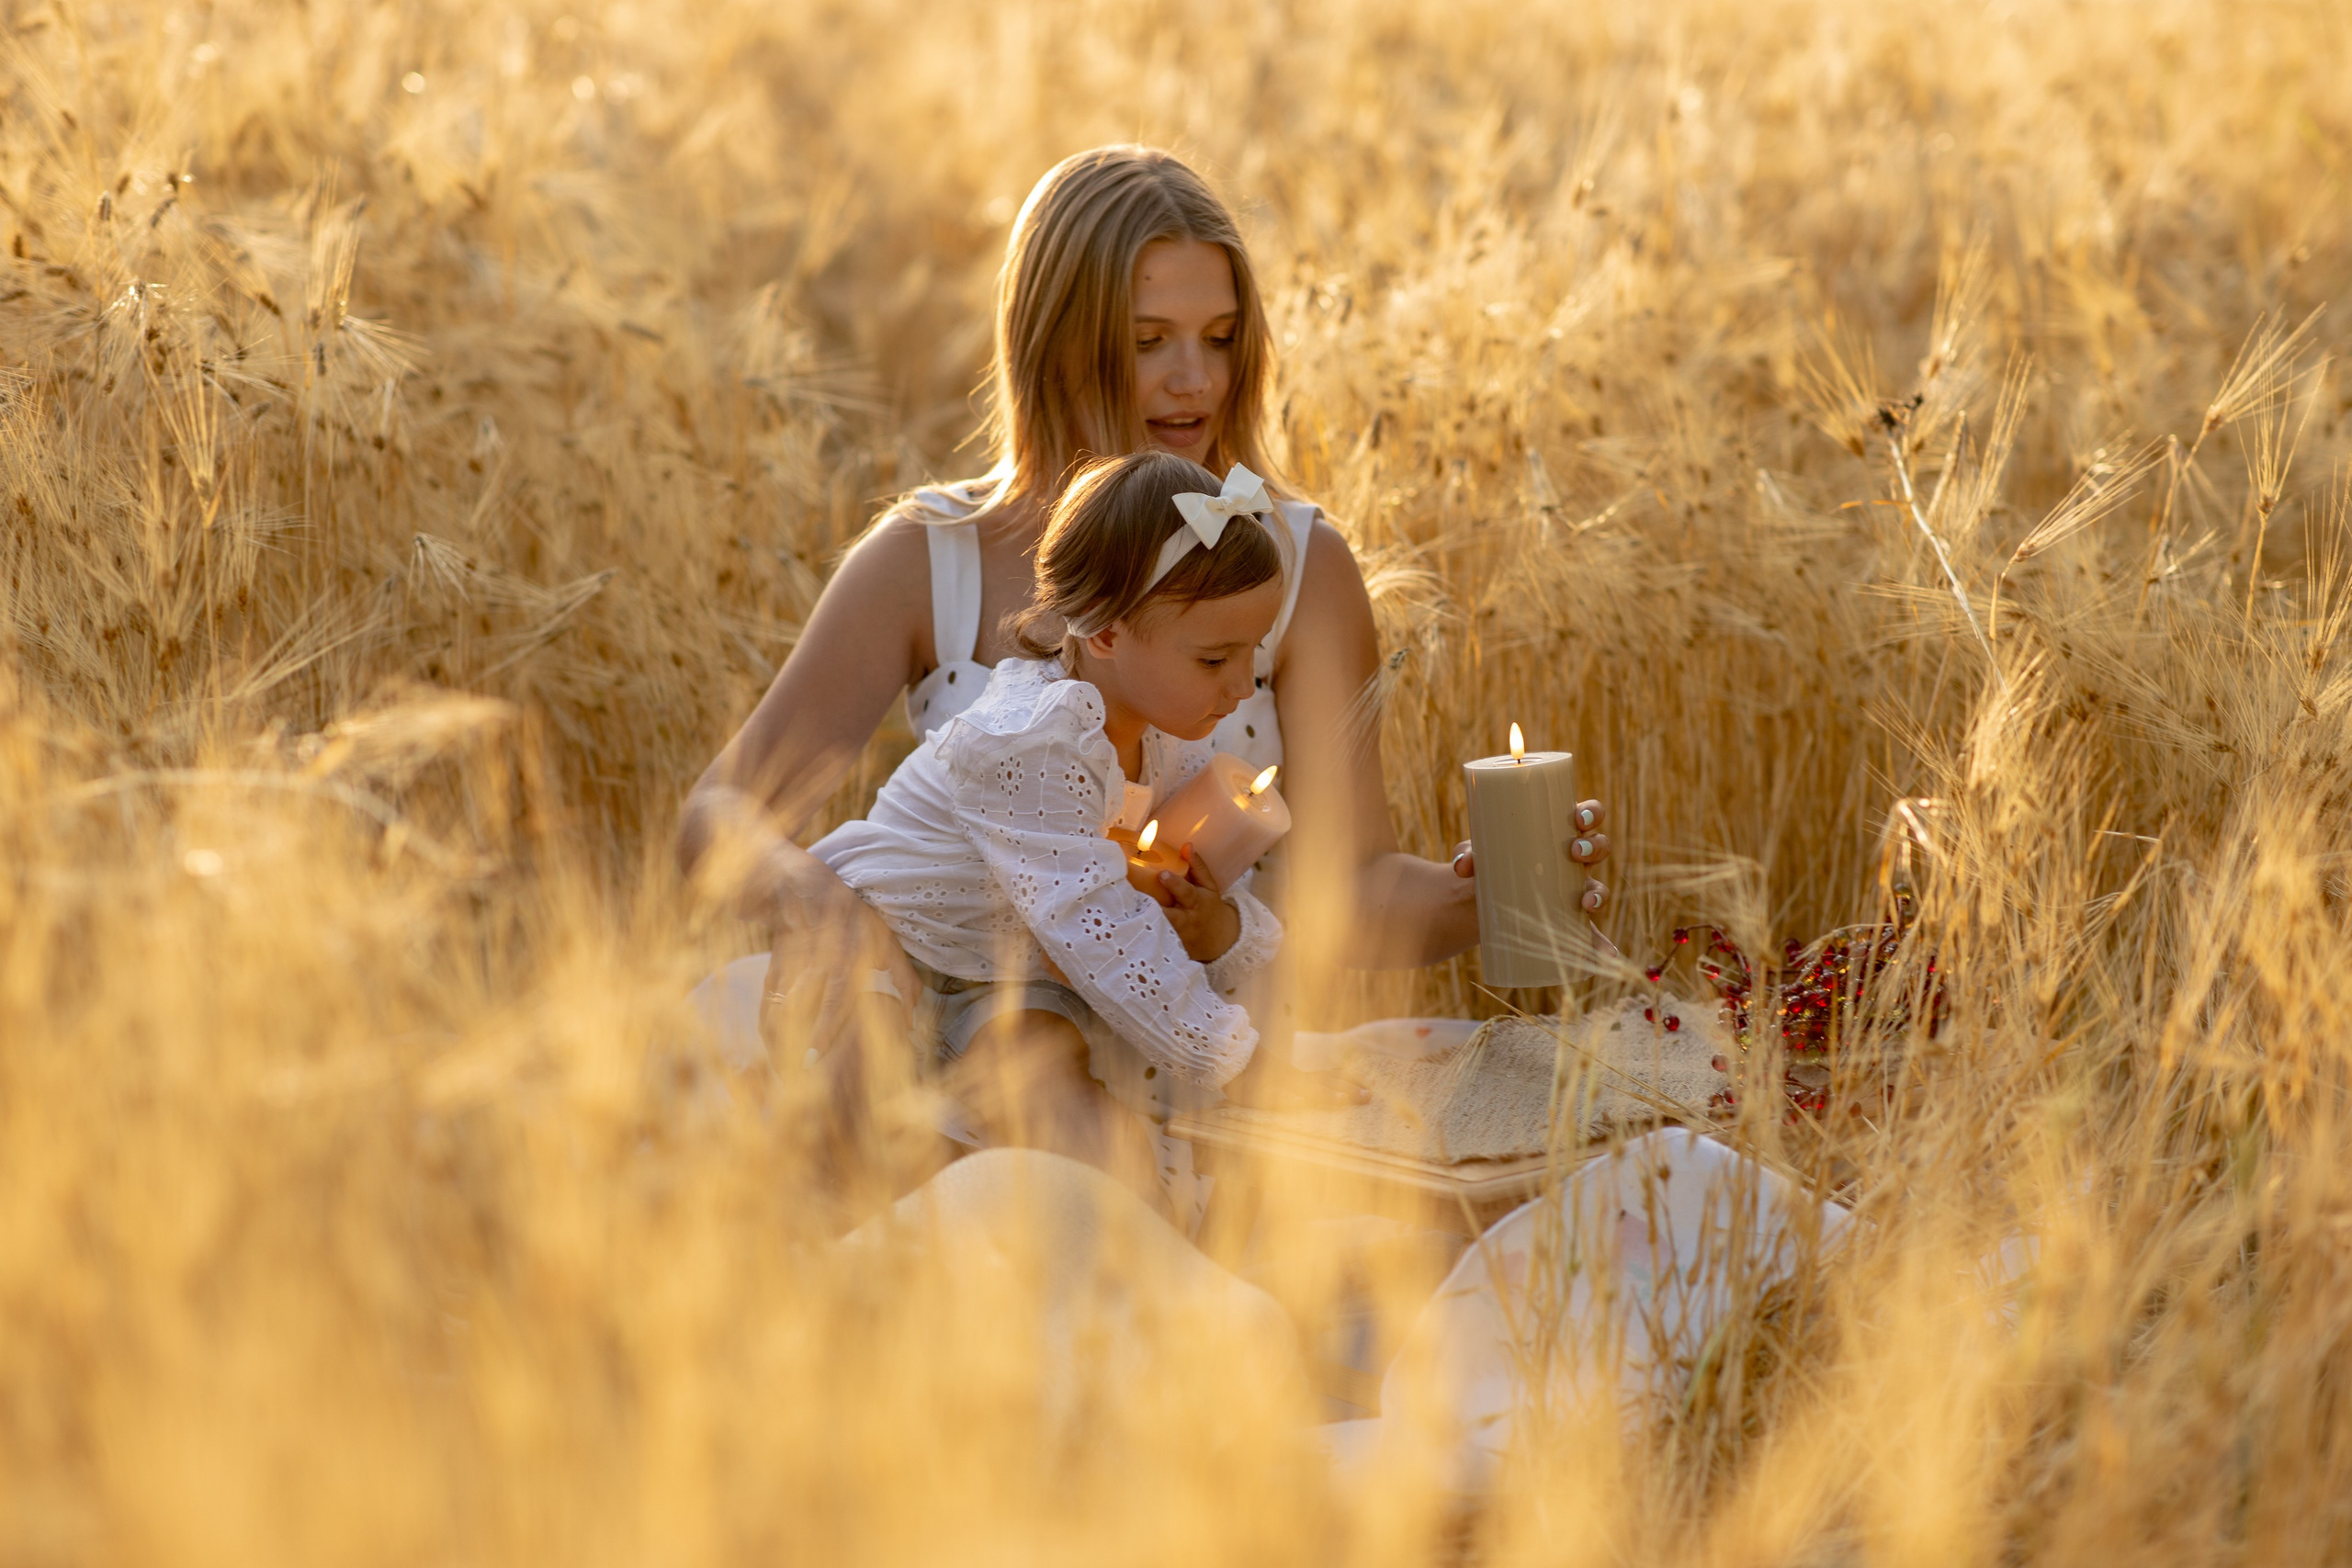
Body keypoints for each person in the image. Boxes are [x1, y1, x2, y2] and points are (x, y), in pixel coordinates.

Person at [677, 145, 1609, 1156]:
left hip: (1193, 1059)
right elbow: (717, 814)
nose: (1194, 381)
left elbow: (1345, 888)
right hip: (959, 1038)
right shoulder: (927, 555)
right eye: (1148, 341)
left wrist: (1484, 898)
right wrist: (817, 901)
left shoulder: (1296, 564)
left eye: (1219, 338)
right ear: (1057, 347)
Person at [808, 452, 1294, 1193]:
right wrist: (1231, 1054)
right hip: (896, 940)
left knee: (1085, 1121)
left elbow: (1178, 878)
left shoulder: (1174, 735)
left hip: (1006, 978)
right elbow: (1092, 919)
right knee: (853, 1099)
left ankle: (1029, 1187)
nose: (1242, 683)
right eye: (1214, 657)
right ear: (1104, 633)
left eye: (1251, 652)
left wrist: (1218, 926)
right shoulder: (1034, 738)